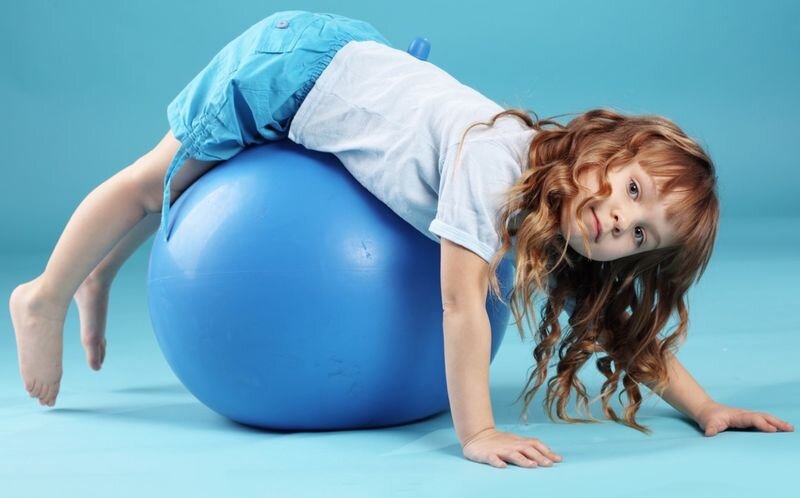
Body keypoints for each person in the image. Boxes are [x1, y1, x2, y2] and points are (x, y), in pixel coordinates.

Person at [8, 10, 793, 469]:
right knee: (153, 184)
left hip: (353, 66)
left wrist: (704, 406)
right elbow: (458, 303)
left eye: (642, 234)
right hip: (296, 69)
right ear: (602, 148)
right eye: (631, 189)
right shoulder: (498, 164)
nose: (621, 219)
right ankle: (42, 296)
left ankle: (97, 274)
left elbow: (620, 330)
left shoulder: (553, 220)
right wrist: (477, 432)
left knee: (173, 188)